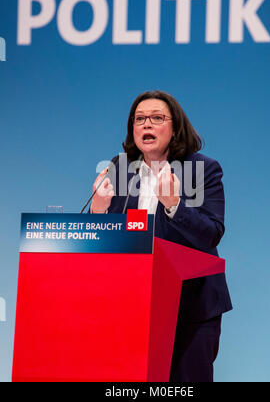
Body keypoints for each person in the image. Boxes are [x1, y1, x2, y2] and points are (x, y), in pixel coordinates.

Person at [90, 90, 232, 382]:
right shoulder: (120, 170)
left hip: (189, 308)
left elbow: (212, 233)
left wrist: (174, 205)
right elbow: (109, 245)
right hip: (130, 305)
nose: (147, 125)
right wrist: (98, 212)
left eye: (157, 118)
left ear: (175, 127)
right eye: (139, 119)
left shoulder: (203, 169)